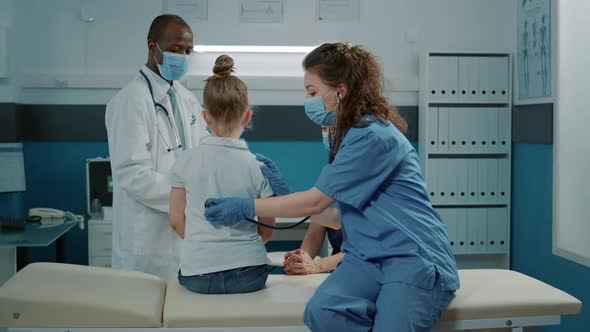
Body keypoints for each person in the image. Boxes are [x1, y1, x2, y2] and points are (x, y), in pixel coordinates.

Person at [204, 42, 459, 331]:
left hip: (412, 258)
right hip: (368, 258)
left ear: (340, 92)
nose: (307, 99)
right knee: (323, 312)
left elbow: (315, 203)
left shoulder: (373, 135)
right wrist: (286, 197)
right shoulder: (348, 137)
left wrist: (245, 206)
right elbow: (336, 216)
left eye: (312, 92)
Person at [105, 15, 207, 279]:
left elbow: (202, 153)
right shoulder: (131, 100)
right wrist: (186, 198)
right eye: (175, 50)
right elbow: (132, 174)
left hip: (184, 239)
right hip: (147, 247)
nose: (183, 57)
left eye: (188, 51)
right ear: (153, 47)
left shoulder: (187, 100)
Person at [168, 55, 275, 294]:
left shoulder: (185, 162)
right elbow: (267, 231)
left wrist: (203, 243)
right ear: (247, 116)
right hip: (250, 274)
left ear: (205, 117)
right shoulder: (259, 167)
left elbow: (176, 220)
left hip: (198, 275)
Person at [283, 126, 344, 275]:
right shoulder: (331, 178)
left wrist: (318, 265)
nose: (328, 133)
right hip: (339, 275)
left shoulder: (375, 182)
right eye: (325, 128)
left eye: (331, 128)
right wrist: (301, 259)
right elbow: (314, 234)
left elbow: (366, 249)